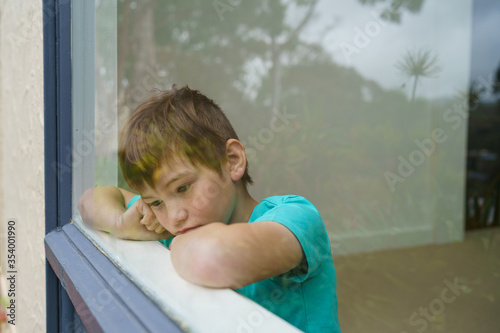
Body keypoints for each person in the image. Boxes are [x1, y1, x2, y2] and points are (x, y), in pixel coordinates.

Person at [78, 85, 341, 333]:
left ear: (232, 161)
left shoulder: (296, 218)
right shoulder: (178, 218)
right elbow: (89, 201)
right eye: (155, 202)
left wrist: (176, 240)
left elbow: (210, 259)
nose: (174, 217)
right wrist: (121, 223)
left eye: (183, 188)